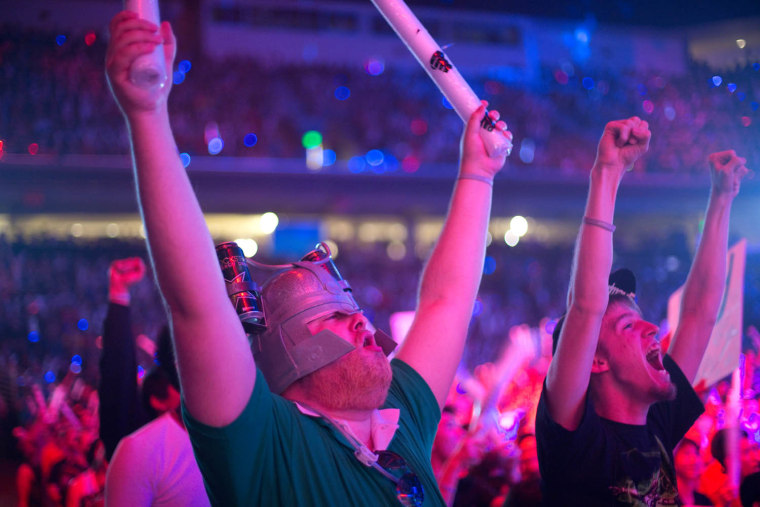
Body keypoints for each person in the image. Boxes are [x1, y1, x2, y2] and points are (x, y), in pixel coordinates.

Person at [105, 9, 511, 506]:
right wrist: (147, 114)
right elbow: (198, 304)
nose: (365, 325)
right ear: (291, 354)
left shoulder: (398, 417)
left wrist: (479, 173)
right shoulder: (265, 446)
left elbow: (447, 301)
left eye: (354, 311)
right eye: (337, 317)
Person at [535, 115, 749, 506]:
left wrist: (721, 198)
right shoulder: (575, 440)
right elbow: (585, 307)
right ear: (595, 360)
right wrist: (608, 172)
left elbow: (700, 314)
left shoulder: (657, 424)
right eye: (628, 324)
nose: (652, 328)